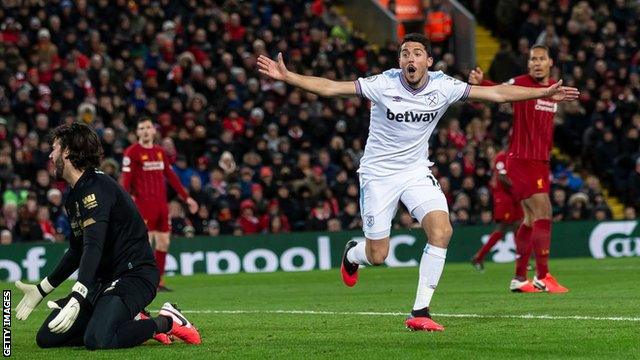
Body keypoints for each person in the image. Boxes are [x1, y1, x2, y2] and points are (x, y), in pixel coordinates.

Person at [257, 33, 578, 331]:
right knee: (378, 254)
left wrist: (544, 92)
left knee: (442, 230)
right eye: (405, 53)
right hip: (378, 174)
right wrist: (288, 77)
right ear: (400, 62)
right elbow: (330, 87)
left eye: (417, 53)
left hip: (415, 171)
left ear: (428, 61)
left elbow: (494, 93)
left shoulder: (443, 86)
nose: (410, 58)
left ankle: (420, 313)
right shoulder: (383, 84)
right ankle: (354, 253)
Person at [13, 122, 201, 350]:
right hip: (104, 282)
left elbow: (94, 245)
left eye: (54, 148)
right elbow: (76, 250)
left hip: (134, 275)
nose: (51, 156)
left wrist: (78, 293)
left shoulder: (96, 189)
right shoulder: (74, 196)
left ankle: (167, 321)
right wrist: (41, 289)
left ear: (68, 152)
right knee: (47, 338)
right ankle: (128, 318)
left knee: (98, 339)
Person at [468, 45, 571, 293]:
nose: (536, 63)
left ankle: (519, 278)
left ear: (550, 62)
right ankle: (543, 276)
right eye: (532, 59)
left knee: (529, 219)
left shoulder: (553, 89)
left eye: (541, 59)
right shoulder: (522, 83)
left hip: (540, 161)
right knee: (544, 211)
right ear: (528, 64)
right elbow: (499, 91)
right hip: (524, 159)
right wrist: (483, 82)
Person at [121, 116, 198, 292]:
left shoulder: (160, 152)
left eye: (148, 127)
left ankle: (159, 282)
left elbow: (172, 177)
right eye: (141, 128)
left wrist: (187, 198)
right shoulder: (132, 152)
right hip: (143, 205)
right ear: (137, 132)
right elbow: (126, 181)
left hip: (162, 206)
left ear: (154, 131)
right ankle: (141, 280)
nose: (145, 131)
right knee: (145, 245)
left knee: (163, 242)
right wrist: (124, 203)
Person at [471, 145, 526, 279]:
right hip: (506, 198)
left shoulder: (512, 156)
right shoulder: (501, 157)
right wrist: (516, 189)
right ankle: (479, 256)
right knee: (503, 228)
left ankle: (522, 261)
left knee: (516, 227)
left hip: (513, 198)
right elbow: (502, 178)